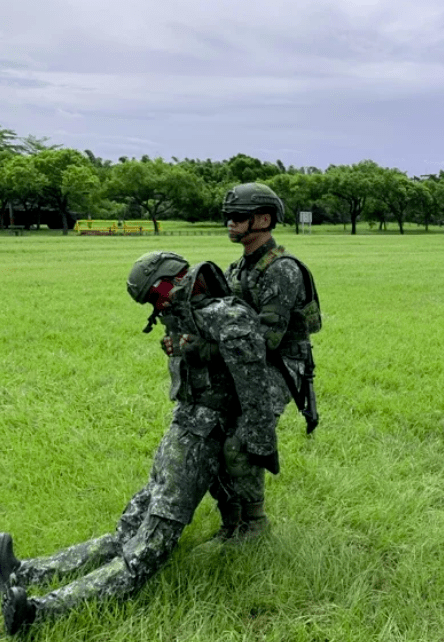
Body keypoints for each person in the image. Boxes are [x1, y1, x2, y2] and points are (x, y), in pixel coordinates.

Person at [0, 252, 278, 636]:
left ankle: (39, 612)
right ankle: (25, 573)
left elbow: (256, 391)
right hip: (184, 434)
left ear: (169, 282)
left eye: (154, 297)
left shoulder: (227, 316)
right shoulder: (192, 315)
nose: (156, 306)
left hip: (203, 438)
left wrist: (258, 446)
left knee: (146, 547)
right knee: (129, 534)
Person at [219, 182, 321, 540]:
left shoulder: (281, 269)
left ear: (263, 219)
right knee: (214, 436)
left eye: (238, 217)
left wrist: (212, 348)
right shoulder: (238, 268)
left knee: (241, 443)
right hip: (244, 359)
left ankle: (256, 523)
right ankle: (230, 522)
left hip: (279, 364)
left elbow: (267, 340)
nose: (230, 223)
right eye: (227, 217)